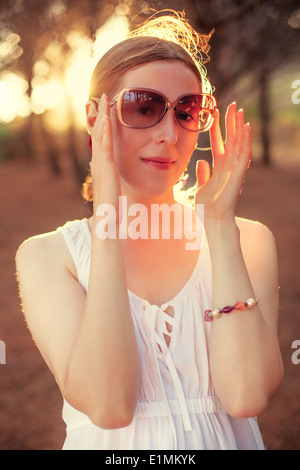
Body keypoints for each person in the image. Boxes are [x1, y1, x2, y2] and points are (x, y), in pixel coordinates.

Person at [16, 10, 283, 450]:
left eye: (187, 111)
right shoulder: (48, 256)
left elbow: (246, 394)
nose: (168, 134)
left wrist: (217, 224)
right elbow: (109, 405)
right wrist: (107, 218)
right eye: (144, 106)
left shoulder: (248, 240)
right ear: (93, 117)